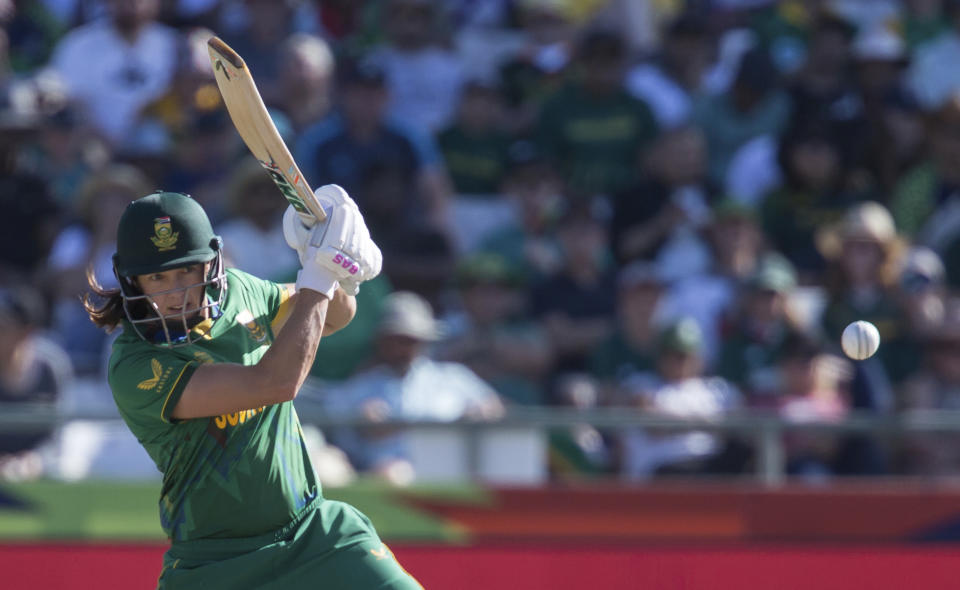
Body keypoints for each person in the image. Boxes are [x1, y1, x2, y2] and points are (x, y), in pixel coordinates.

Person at [83, 188, 422, 589]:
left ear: (210, 264)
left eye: (186, 271)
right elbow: (275, 383)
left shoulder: (241, 291)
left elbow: (329, 319)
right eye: (158, 276)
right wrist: (318, 274)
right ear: (131, 278)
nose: (175, 292)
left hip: (314, 534)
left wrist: (338, 270)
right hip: (214, 563)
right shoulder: (134, 364)